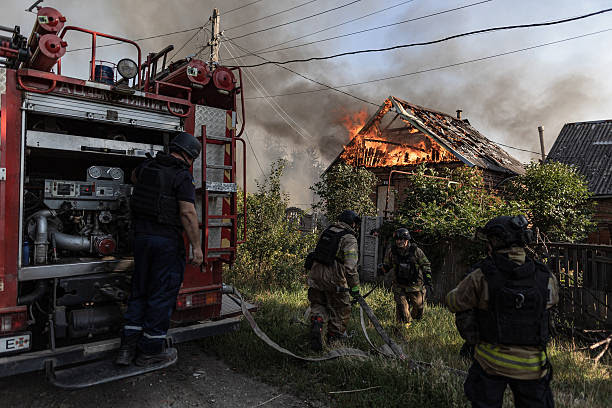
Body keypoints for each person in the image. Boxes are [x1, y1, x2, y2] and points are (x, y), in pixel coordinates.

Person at [446, 215, 559, 408]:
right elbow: (550, 304)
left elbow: (453, 302)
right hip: (533, 368)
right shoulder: (545, 277)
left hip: (490, 365)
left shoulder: (481, 276)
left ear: (495, 242)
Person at [116, 132, 203, 367]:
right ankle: (150, 351)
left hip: (141, 240)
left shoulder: (146, 167)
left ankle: (126, 348)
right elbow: (187, 212)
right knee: (160, 295)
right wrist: (197, 247)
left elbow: (134, 177)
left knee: (139, 291)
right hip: (165, 242)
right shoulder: (182, 175)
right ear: (190, 156)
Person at [305, 209, 361, 351]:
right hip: (334, 280)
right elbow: (350, 267)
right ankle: (333, 340)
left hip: (316, 276)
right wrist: (354, 288)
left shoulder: (327, 231)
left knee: (318, 303)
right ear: (353, 224)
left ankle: (317, 323)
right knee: (341, 309)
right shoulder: (349, 238)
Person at [380, 228, 432, 328]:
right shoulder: (392, 251)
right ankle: (402, 329)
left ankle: (415, 325)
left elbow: (426, 264)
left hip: (415, 286)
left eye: (402, 239)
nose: (399, 242)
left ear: (407, 239)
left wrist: (428, 278)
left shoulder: (416, 251)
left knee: (418, 308)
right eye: (397, 240)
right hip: (399, 286)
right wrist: (382, 269)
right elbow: (387, 265)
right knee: (402, 309)